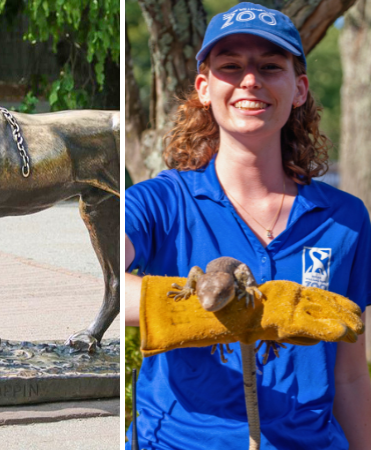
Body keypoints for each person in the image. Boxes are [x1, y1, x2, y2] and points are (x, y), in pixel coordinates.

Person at [124, 3, 371, 448]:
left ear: (299, 89)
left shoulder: (345, 219)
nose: (250, 80)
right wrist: (201, 309)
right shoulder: (159, 201)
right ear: (204, 88)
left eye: (270, 66)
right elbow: (92, 280)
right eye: (231, 66)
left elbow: (350, 375)